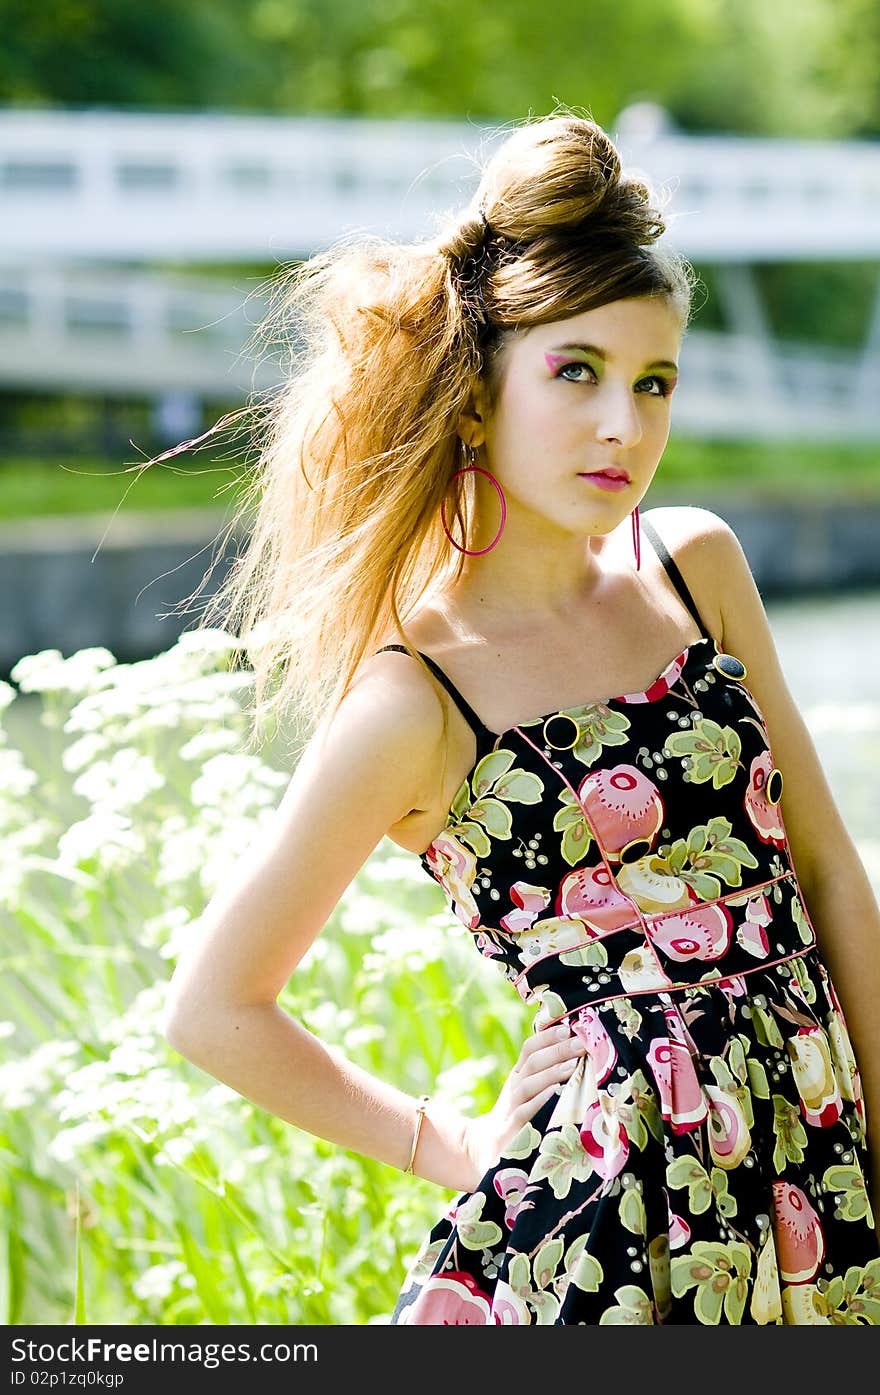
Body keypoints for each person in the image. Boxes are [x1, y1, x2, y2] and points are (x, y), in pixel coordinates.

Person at [162, 112, 879, 1325]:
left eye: (653, 383)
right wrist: (447, 1142)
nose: (625, 426)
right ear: (477, 398)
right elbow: (214, 1008)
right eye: (576, 372)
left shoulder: (692, 566)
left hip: (818, 1160)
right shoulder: (412, 700)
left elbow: (824, 865)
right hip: (601, 1219)